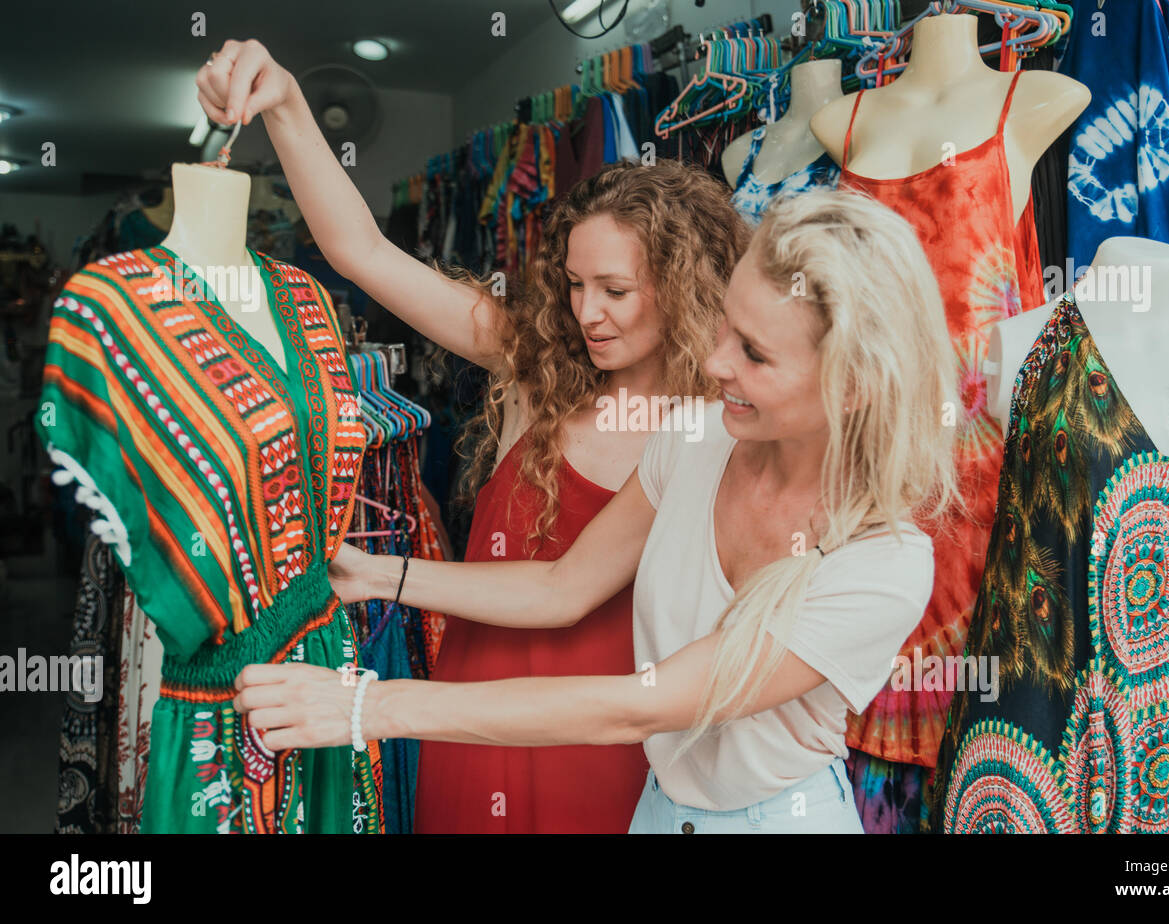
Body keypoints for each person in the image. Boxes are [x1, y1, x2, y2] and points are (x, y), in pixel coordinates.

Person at [233, 188, 962, 834]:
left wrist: (368, 709)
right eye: (724, 331)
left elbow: (640, 705)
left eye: (755, 353)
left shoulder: (882, 564)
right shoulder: (698, 437)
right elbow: (561, 587)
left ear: (854, 386)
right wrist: (373, 574)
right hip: (658, 812)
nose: (715, 366)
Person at [196, 39, 750, 833]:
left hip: (592, 733)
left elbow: (560, 595)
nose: (587, 313)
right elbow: (361, 251)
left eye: (616, 290)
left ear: (685, 288)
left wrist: (381, 576)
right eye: (575, 285)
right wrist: (284, 101)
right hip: (465, 707)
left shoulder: (709, 429)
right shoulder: (539, 368)